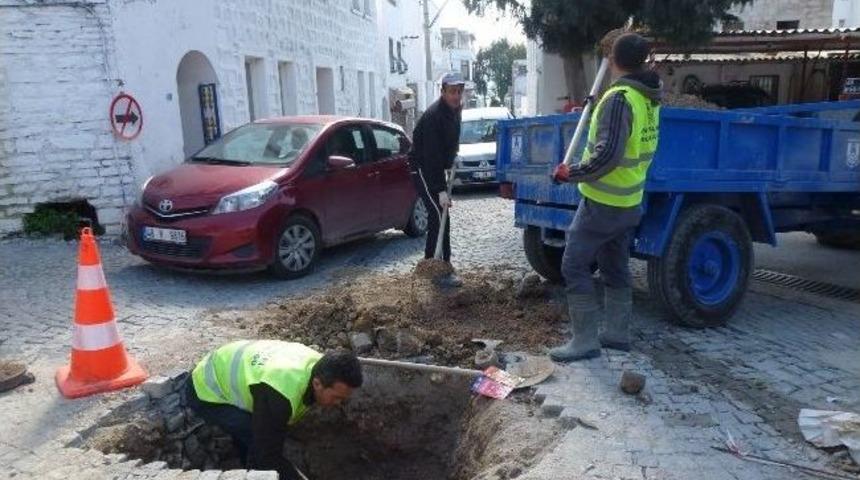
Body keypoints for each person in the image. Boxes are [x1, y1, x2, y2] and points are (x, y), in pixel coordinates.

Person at [549, 33, 662, 362]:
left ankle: (584, 340)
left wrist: (573, 173)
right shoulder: (649, 98)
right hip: (629, 201)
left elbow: (608, 155)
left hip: (604, 202)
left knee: (573, 264)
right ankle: (616, 333)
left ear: (613, 60)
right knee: (615, 265)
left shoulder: (619, 98)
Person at [185, 340, 363, 479]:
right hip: (206, 388)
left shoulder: (320, 367)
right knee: (256, 440)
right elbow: (267, 455)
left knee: (262, 433)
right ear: (317, 384)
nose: (339, 403)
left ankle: (243, 464)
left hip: (235, 370)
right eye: (337, 397)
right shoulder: (281, 393)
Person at [409, 72, 465, 265]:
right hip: (421, 167)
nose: (456, 96)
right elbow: (431, 155)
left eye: (458, 91)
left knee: (442, 216)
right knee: (438, 214)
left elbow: (451, 142)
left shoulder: (455, 112)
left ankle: (443, 265)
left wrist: (452, 161)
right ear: (442, 92)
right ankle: (432, 266)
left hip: (434, 166)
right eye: (452, 92)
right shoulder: (434, 116)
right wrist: (441, 190)